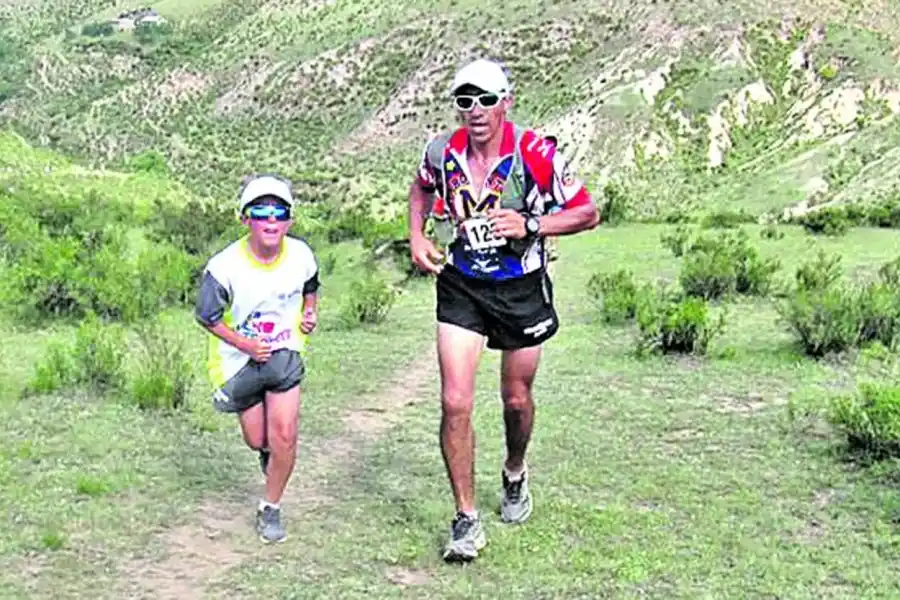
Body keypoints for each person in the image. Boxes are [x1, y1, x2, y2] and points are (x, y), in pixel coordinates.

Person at [407, 58, 601, 562]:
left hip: (519, 287)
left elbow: (587, 212)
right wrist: (416, 233)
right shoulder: (440, 151)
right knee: (455, 402)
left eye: (486, 99)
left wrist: (531, 225)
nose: (476, 110)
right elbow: (422, 186)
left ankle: (514, 471)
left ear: (506, 102)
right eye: (465, 100)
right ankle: (466, 520)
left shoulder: (534, 153)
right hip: (462, 285)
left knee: (516, 399)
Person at [194, 173, 320, 544]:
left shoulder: (301, 254)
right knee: (257, 438)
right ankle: (267, 453)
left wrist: (309, 311)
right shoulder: (224, 266)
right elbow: (207, 317)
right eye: (260, 211)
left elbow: (311, 285)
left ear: (290, 220)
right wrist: (245, 345)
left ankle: (271, 507)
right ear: (245, 218)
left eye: (279, 212)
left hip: (284, 354)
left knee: (285, 434)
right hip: (239, 362)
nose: (270, 220)